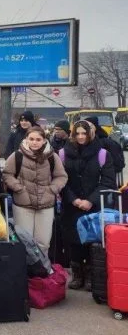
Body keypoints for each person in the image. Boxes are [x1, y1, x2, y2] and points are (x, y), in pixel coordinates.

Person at [59, 120, 116, 291]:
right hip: (71, 204)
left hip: (94, 205)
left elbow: (107, 181)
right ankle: (77, 274)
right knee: (74, 240)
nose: (81, 136)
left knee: (93, 240)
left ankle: (92, 274)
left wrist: (91, 200)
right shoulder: (62, 153)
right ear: (73, 134)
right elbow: (60, 180)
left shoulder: (103, 154)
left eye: (84, 133)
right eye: (78, 133)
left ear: (91, 134)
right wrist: (73, 199)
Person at [2, 127, 68, 253]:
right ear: (26, 139)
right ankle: (24, 271)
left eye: (38, 139)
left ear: (44, 141)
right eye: (31, 139)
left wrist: (52, 189)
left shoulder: (52, 157)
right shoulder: (17, 155)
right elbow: (7, 174)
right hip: (22, 204)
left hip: (46, 205)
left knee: (43, 243)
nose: (34, 142)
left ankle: (41, 270)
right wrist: (18, 188)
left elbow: (61, 176)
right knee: (24, 242)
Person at [85, 116, 125, 183]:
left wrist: (106, 170)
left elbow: (118, 163)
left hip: (104, 180)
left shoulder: (106, 143)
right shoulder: (109, 141)